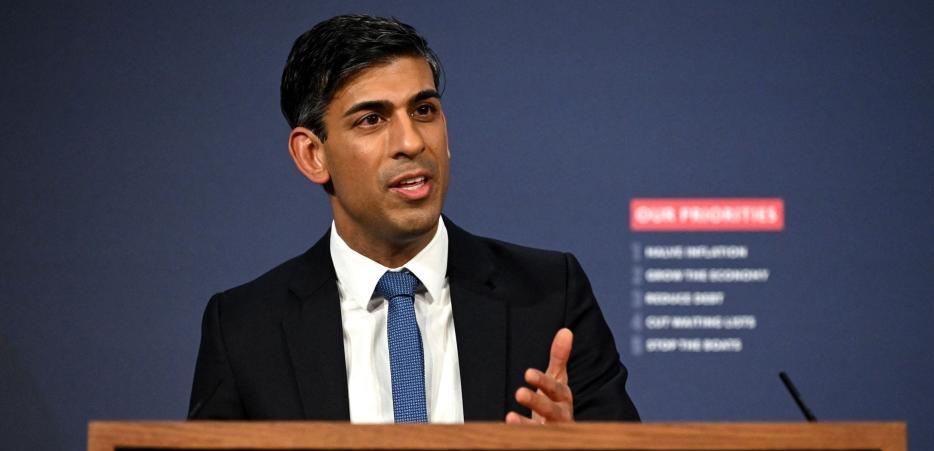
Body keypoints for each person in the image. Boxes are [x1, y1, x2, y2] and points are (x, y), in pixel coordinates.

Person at [188, 15, 639, 424]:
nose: (411, 141)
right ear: (313, 154)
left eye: (424, 111)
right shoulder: (245, 328)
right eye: (371, 119)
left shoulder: (549, 295)